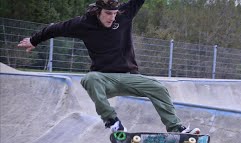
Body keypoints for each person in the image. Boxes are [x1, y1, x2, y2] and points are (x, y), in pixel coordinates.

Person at [17, 0, 200, 134]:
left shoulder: (124, 14)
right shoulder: (83, 24)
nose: (112, 18)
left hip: (130, 77)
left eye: (114, 14)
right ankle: (112, 121)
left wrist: (118, 12)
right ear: (98, 11)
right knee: (89, 78)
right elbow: (55, 28)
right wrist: (34, 40)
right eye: (108, 14)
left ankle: (176, 129)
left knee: (159, 88)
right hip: (104, 80)